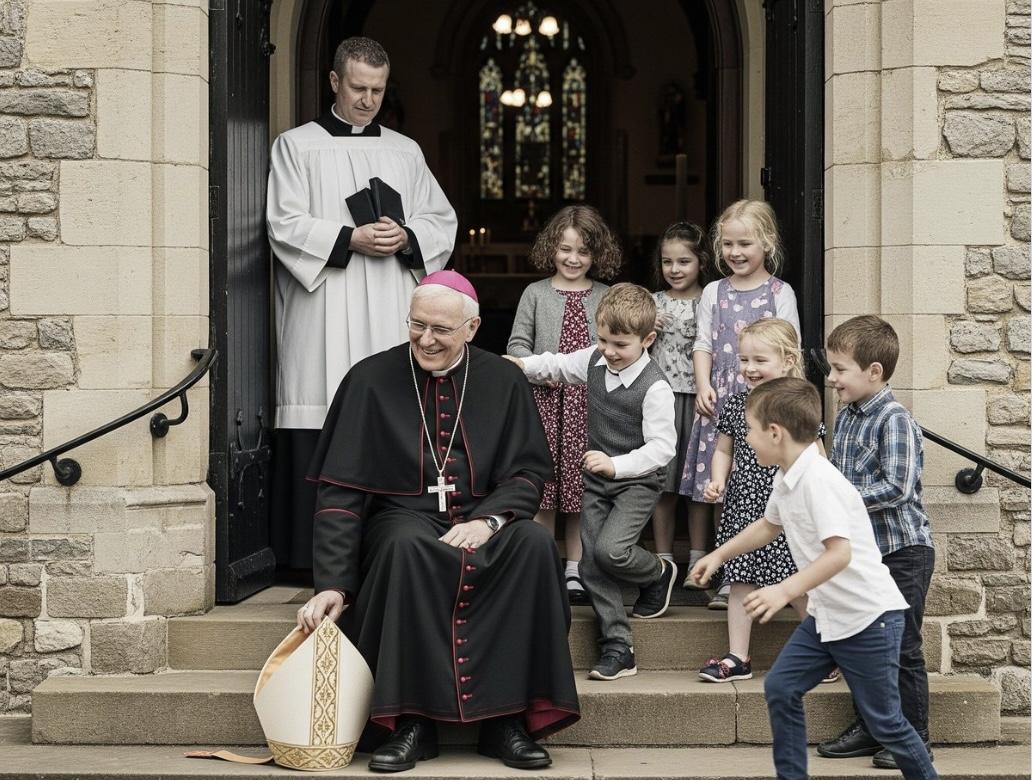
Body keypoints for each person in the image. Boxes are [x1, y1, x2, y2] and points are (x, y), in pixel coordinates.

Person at [297, 270, 579, 772]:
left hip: (484, 516)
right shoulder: (369, 379)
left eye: (441, 330)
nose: (426, 339)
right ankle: (409, 723)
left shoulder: (504, 378)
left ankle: (506, 722)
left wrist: (490, 521)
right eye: (417, 325)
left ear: (471, 329)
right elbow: (340, 495)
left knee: (533, 545)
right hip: (402, 518)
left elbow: (527, 471)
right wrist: (333, 584)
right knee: (406, 547)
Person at [267, 36, 458, 570]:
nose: (368, 100)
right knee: (321, 402)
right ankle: (310, 562)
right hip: (324, 304)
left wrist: (407, 237)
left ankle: (392, 549)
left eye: (377, 90)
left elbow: (441, 220)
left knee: (393, 413)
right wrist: (348, 238)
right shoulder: (296, 147)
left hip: (389, 302)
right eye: (358, 88)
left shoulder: (404, 151)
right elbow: (282, 223)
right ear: (334, 82)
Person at [689, 377, 938, 780]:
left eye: (751, 431)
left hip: (868, 618)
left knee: (887, 723)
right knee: (782, 688)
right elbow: (769, 526)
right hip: (827, 618)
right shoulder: (788, 475)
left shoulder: (819, 481)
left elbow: (840, 553)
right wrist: (718, 555)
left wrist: (784, 590)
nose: (747, 440)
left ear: (775, 433)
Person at [507, 283, 678, 681]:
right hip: (597, 480)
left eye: (620, 344)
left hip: (637, 480)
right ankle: (619, 645)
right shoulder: (594, 360)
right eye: (602, 340)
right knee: (588, 564)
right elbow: (557, 364)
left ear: (647, 339)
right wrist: (519, 365)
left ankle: (657, 572)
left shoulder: (655, 387)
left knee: (611, 551)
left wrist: (616, 465)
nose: (609, 350)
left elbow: (662, 448)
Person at [817, 316, 936, 769]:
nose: (831, 379)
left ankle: (915, 738)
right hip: (863, 554)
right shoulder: (845, 418)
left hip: (903, 551)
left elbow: (898, 488)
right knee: (862, 643)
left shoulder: (895, 419)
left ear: (874, 372)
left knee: (901, 646)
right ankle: (873, 727)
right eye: (830, 368)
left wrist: (838, 499)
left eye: (839, 369)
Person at [678, 200, 800, 609]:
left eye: (744, 243)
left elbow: (789, 348)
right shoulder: (715, 291)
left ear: (766, 243)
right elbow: (703, 342)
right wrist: (701, 385)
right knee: (722, 486)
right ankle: (724, 568)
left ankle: (766, 568)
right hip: (722, 395)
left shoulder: (780, 293)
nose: (735, 252)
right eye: (727, 244)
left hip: (765, 404)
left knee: (761, 487)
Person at [696, 319, 826, 682]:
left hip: (789, 508)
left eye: (759, 360)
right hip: (744, 505)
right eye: (744, 360)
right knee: (741, 578)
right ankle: (738, 656)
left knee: (799, 580)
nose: (749, 369)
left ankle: (824, 652)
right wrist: (718, 480)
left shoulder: (800, 405)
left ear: (786, 361)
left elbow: (819, 457)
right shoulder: (737, 404)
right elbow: (724, 450)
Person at [507, 205, 622, 606]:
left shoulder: (607, 296)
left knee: (581, 486)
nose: (573, 259)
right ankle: (540, 565)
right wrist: (542, 368)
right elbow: (516, 345)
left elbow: (621, 342)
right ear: (551, 248)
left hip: (588, 405)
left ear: (597, 255)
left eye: (583, 252)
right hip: (543, 402)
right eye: (565, 249)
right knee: (544, 485)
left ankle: (576, 569)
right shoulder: (535, 294)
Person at [647, 223, 708, 598]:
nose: (675, 269)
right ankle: (664, 560)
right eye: (668, 261)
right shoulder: (652, 302)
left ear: (701, 262)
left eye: (684, 261)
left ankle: (699, 561)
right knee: (663, 483)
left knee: (699, 485)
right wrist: (644, 323)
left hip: (702, 402)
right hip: (661, 402)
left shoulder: (713, 299)